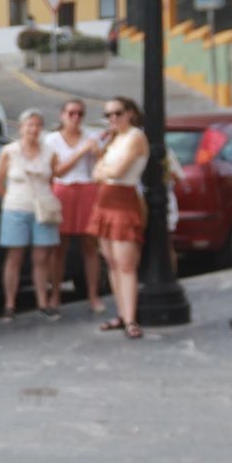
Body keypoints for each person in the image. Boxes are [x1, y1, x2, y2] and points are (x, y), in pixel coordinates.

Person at [89, 97, 150, 338]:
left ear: (131, 113)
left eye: (117, 113)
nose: (112, 118)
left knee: (126, 265)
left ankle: (131, 319)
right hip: (105, 201)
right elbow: (96, 173)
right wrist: (103, 171)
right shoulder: (115, 139)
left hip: (123, 200)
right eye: (108, 115)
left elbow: (116, 171)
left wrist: (103, 171)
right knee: (112, 263)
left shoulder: (135, 136)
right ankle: (123, 314)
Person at [0, 109, 64, 320]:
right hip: (16, 207)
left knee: (41, 256)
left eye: (37, 125)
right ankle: (9, 303)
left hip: (41, 208)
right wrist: (10, 198)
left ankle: (42, 301)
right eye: (29, 125)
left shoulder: (48, 152)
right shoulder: (10, 151)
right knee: (15, 256)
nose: (33, 130)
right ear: (21, 127)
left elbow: (52, 178)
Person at [45, 99, 104, 314]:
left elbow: (100, 167)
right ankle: (55, 296)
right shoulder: (52, 140)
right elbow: (57, 171)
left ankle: (93, 295)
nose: (75, 118)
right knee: (59, 247)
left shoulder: (92, 136)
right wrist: (81, 152)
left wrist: (97, 153)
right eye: (71, 113)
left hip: (87, 189)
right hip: (63, 189)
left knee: (89, 246)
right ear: (62, 115)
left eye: (79, 113)